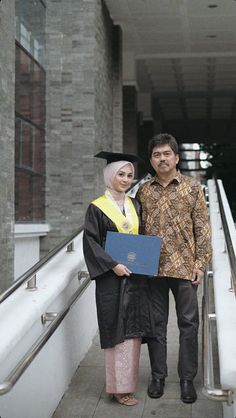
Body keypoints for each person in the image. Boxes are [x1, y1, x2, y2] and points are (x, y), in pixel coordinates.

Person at [136, 133, 211, 404]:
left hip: (185, 269)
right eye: (157, 154)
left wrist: (201, 264)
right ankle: (158, 376)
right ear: (152, 160)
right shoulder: (144, 190)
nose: (162, 158)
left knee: (189, 325)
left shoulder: (192, 188)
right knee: (156, 325)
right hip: (152, 269)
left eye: (167, 153)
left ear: (177, 157)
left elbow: (202, 229)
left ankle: (187, 379)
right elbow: (137, 227)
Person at [83, 151, 155, 406]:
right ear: (109, 175)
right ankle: (117, 388)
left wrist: (146, 260)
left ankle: (128, 385)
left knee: (132, 331)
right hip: (111, 279)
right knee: (115, 329)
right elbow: (90, 242)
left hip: (134, 278)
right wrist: (112, 265)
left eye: (129, 175)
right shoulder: (96, 208)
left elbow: (141, 237)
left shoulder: (135, 205)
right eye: (120, 174)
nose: (125, 179)